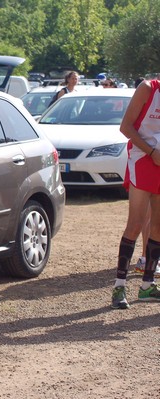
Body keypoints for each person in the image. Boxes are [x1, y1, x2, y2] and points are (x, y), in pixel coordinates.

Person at [111, 78, 160, 309]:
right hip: (142, 159)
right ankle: (119, 286)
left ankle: (147, 285)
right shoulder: (148, 88)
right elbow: (125, 127)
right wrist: (151, 151)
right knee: (136, 224)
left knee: (158, 227)